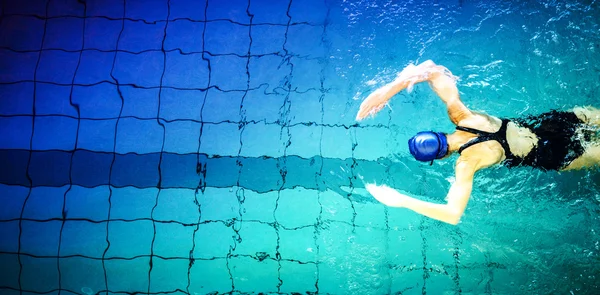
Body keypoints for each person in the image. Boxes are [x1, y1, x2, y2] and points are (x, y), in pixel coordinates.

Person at [356, 60, 600, 225]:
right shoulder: (462, 116)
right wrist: (387, 91)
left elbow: (452, 215)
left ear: (438, 158)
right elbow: (432, 69)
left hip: (549, 155)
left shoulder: (466, 163)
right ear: (437, 133)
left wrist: (400, 201)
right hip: (546, 124)